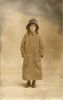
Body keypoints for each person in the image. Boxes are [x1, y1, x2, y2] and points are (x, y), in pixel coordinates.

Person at [20, 19, 44, 88]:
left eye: (34, 26)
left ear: (36, 27)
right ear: (28, 27)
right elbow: (22, 45)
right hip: (28, 56)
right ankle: (28, 81)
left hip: (36, 56)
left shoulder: (39, 37)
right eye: (31, 26)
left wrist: (40, 54)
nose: (32, 27)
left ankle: (34, 81)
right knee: (27, 69)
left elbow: (41, 46)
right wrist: (23, 53)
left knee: (35, 69)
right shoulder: (26, 36)